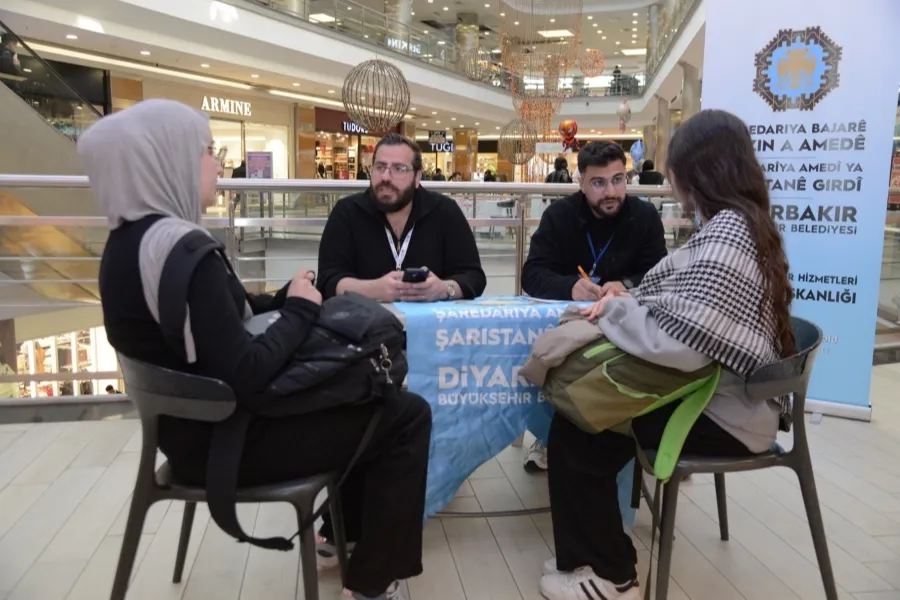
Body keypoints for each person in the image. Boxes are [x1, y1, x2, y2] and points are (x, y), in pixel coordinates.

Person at [84, 99, 430, 600]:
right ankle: (372, 585)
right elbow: (246, 374)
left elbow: (224, 325)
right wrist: (302, 310)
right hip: (228, 442)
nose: (219, 164)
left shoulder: (129, 244)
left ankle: (350, 539)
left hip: (187, 433)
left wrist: (286, 298)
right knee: (403, 412)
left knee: (371, 397)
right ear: (170, 162)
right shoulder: (186, 252)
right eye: (209, 152)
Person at [539, 109, 795, 600]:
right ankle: (584, 554)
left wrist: (618, 309)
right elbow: (684, 312)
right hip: (728, 397)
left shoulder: (726, 238)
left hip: (726, 413)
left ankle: (614, 577)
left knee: (581, 426)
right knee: (588, 421)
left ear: (693, 173)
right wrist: (630, 303)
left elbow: (680, 344)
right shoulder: (743, 225)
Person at [520, 140, 668, 473]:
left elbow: (660, 275)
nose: (610, 192)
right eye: (598, 183)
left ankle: (639, 436)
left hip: (628, 330)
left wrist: (626, 285)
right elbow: (532, 274)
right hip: (571, 326)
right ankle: (552, 434)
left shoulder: (644, 216)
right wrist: (569, 287)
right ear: (581, 182)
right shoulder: (560, 216)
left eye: (618, 180)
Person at [316, 133, 486, 302]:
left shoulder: (444, 211)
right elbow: (328, 280)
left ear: (417, 177)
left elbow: (473, 276)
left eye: (399, 169)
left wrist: (443, 289)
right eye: (380, 167)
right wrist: (374, 290)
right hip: (363, 318)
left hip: (429, 319)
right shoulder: (347, 212)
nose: (385, 177)